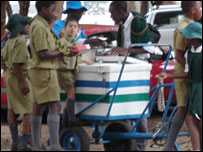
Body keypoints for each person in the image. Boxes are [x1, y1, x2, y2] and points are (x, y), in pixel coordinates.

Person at [108, 1, 159, 150]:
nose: (111, 16)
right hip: (127, 69)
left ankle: (141, 144)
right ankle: (131, 142)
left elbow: (146, 48)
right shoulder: (122, 25)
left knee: (139, 106)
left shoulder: (137, 22)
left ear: (121, 10)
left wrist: (127, 51)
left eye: (112, 13)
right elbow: (123, 48)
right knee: (126, 105)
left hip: (139, 69)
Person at [157, 1, 202, 151]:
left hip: (192, 79)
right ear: (193, 10)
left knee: (189, 115)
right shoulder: (184, 27)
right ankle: (171, 145)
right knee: (186, 113)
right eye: (199, 6)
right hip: (187, 75)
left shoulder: (191, 25)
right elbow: (179, 55)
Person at [29, 1, 64, 150]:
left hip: (40, 71)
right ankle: (55, 145)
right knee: (54, 105)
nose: (54, 12)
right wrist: (61, 53)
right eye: (52, 9)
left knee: (38, 106)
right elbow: (43, 53)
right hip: (45, 70)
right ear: (43, 9)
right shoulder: (39, 27)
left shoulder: (40, 24)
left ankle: (36, 144)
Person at [1, 14, 33, 151]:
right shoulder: (20, 41)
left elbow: (2, 59)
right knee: (28, 109)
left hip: (9, 76)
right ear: (20, 27)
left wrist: (7, 70)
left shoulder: (9, 41)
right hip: (19, 77)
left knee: (11, 108)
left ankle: (15, 141)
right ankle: (24, 141)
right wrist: (23, 82)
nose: (28, 27)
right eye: (26, 24)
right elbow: (18, 64)